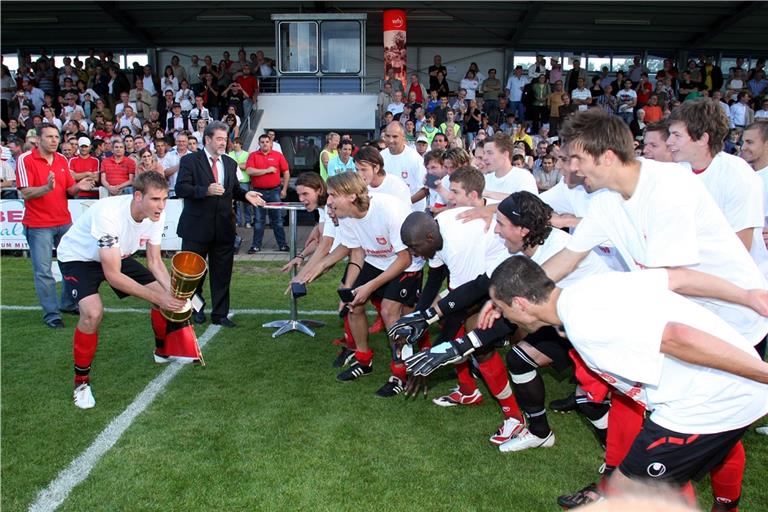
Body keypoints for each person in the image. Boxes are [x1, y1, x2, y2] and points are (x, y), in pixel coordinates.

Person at [488, 255, 768, 496]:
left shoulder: (584, 325)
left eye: (502, 308)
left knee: (627, 495)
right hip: (722, 389)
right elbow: (679, 278)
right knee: (628, 490)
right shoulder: (592, 287)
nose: (504, 317)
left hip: (708, 405)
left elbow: (678, 337)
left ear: (520, 303)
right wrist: (747, 296)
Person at [56, 172, 192, 409]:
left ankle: (162, 352)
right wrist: (161, 297)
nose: (161, 206)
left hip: (117, 255)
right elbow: (113, 276)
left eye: (164, 199)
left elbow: (155, 262)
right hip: (79, 258)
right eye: (155, 199)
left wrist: (173, 293)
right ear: (138, 196)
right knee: (92, 314)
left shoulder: (157, 214)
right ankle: (81, 383)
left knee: (164, 296)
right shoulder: (108, 213)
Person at [304, 172, 424, 397]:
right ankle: (363, 360)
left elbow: (405, 258)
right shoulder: (346, 215)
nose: (328, 201)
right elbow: (355, 252)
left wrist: (368, 287)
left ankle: (399, 373)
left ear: (350, 196)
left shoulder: (388, 209)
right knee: (353, 304)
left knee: (389, 312)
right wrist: (341, 282)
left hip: (406, 264)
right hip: (376, 261)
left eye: (332, 195)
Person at [175, 121, 266, 327]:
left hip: (224, 228)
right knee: (193, 275)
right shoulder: (190, 161)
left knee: (222, 273)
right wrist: (204, 190)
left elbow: (233, 190)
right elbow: (181, 189)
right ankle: (195, 309)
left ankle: (220, 314)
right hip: (196, 229)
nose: (223, 143)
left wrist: (246, 195)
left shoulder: (230, 163)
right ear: (207, 139)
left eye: (225, 139)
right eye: (219, 139)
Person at [15, 125, 95, 328]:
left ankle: (68, 303)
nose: (54, 140)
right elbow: (25, 193)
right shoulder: (25, 159)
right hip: (38, 224)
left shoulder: (61, 159)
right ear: (38, 140)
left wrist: (79, 186)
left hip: (64, 221)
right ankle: (52, 315)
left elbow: (69, 188)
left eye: (56, 136)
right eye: (49, 136)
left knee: (72, 264)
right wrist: (46, 188)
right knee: (43, 271)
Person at [245, 133, 290, 253]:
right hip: (258, 193)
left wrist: (284, 189)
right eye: (262, 142)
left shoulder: (278, 155)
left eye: (267, 142)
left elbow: (286, 172)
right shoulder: (253, 155)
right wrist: (266, 170)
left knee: (277, 220)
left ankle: (282, 245)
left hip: (275, 190)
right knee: (259, 220)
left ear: (271, 143)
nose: (265, 144)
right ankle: (255, 246)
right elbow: (249, 170)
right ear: (259, 144)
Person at [380, 121, 428, 211]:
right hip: (390, 212)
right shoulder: (381, 157)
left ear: (403, 137)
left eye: (395, 136)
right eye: (388, 136)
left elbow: (426, 189)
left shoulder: (415, 158)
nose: (390, 140)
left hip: (412, 212)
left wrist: (407, 202)